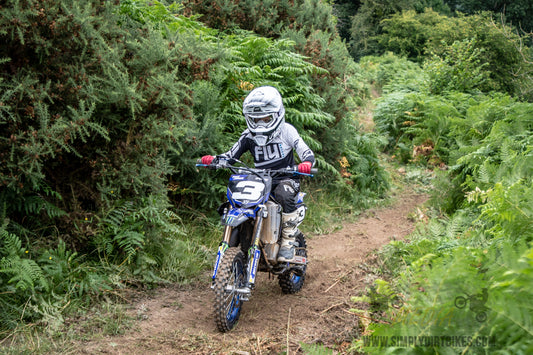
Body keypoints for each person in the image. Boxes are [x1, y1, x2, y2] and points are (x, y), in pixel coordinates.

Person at [201, 86, 315, 262]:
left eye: (266, 118)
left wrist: (306, 164)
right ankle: (240, 245)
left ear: (277, 115)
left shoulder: (287, 131)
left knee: (283, 194)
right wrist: (215, 160)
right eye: (256, 119)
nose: (260, 123)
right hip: (260, 180)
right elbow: (231, 156)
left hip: (286, 178)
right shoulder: (248, 136)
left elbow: (306, 152)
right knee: (239, 201)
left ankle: (287, 242)